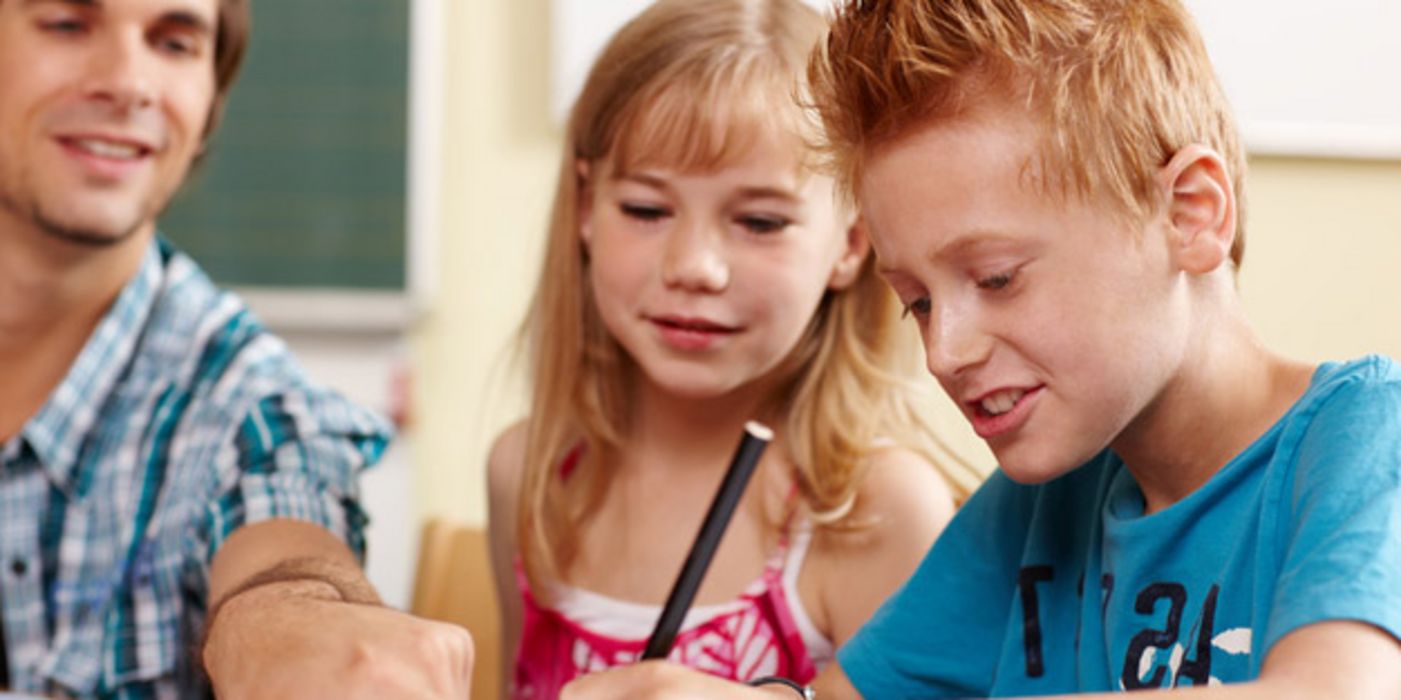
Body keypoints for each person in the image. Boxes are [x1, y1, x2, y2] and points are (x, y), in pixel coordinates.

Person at [562, 0, 1401, 698]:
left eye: (997, 278)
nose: (945, 352)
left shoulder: (1366, 437)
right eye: (916, 303)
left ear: (1188, 215)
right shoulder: (1036, 504)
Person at [485, 0, 978, 697]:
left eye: (758, 221)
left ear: (850, 242)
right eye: (646, 210)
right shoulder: (529, 473)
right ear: (584, 208)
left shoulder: (877, 508)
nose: (695, 266)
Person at [0, 0, 472, 697]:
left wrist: (283, 618)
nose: (130, 83)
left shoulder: (254, 414)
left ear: (210, 103)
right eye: (68, 24)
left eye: (174, 42)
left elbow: (287, 541)